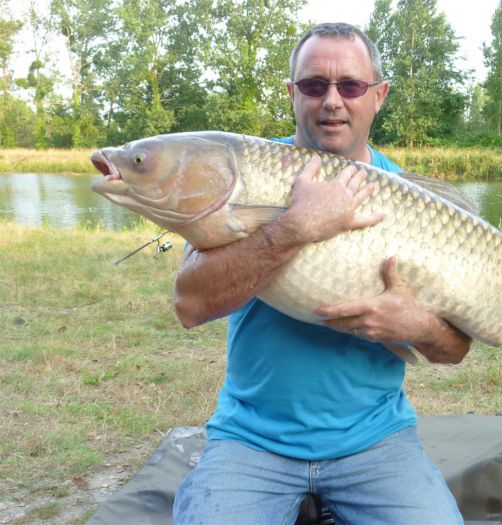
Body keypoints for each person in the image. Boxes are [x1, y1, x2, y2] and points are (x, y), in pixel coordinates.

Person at [172, 22, 472, 525]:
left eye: (350, 86)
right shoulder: (243, 173)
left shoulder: (416, 202)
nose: (333, 100)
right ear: (292, 93)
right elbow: (190, 305)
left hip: (376, 442)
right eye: (314, 85)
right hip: (252, 439)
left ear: (378, 96)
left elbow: (455, 350)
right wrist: (295, 227)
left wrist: (416, 328)